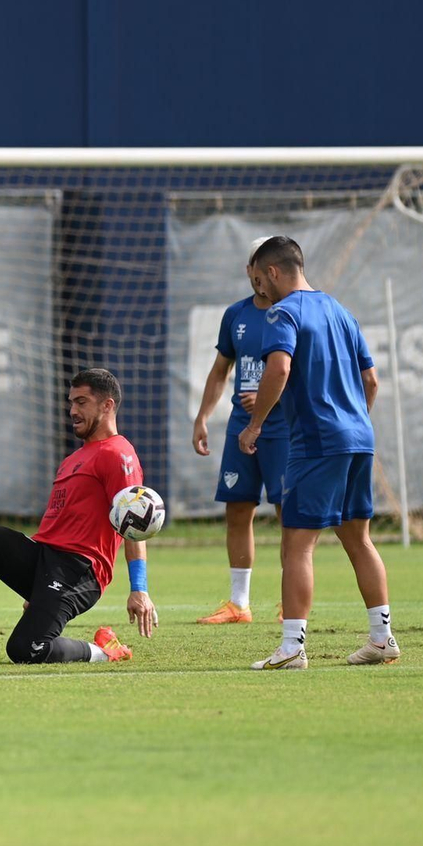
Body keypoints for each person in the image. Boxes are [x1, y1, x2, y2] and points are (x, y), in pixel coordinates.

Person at [0, 368, 157, 666]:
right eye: (71, 402)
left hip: (79, 572)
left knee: (26, 650)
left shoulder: (119, 454)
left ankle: (104, 651)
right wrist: (36, 586)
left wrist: (139, 589)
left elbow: (134, 526)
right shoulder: (73, 460)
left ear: (107, 405)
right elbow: (56, 525)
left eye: (81, 402)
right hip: (44, 559)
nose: (72, 411)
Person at [239, 236, 398, 670]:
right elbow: (372, 381)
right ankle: (382, 638)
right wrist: (352, 423)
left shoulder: (283, 312)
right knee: (358, 538)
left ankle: (292, 646)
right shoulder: (341, 311)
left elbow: (280, 367)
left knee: (297, 546)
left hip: (316, 444)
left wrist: (256, 425)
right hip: (359, 439)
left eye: (259, 280)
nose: (260, 292)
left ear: (273, 272)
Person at [190, 236, 287, 624]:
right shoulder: (236, 315)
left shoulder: (294, 313)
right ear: (250, 269)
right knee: (238, 510)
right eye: (254, 266)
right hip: (239, 428)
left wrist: (269, 399)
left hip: (283, 430)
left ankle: (289, 604)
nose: (259, 275)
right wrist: (201, 417)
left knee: (289, 515)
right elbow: (220, 372)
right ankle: (238, 604)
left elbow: (295, 372)